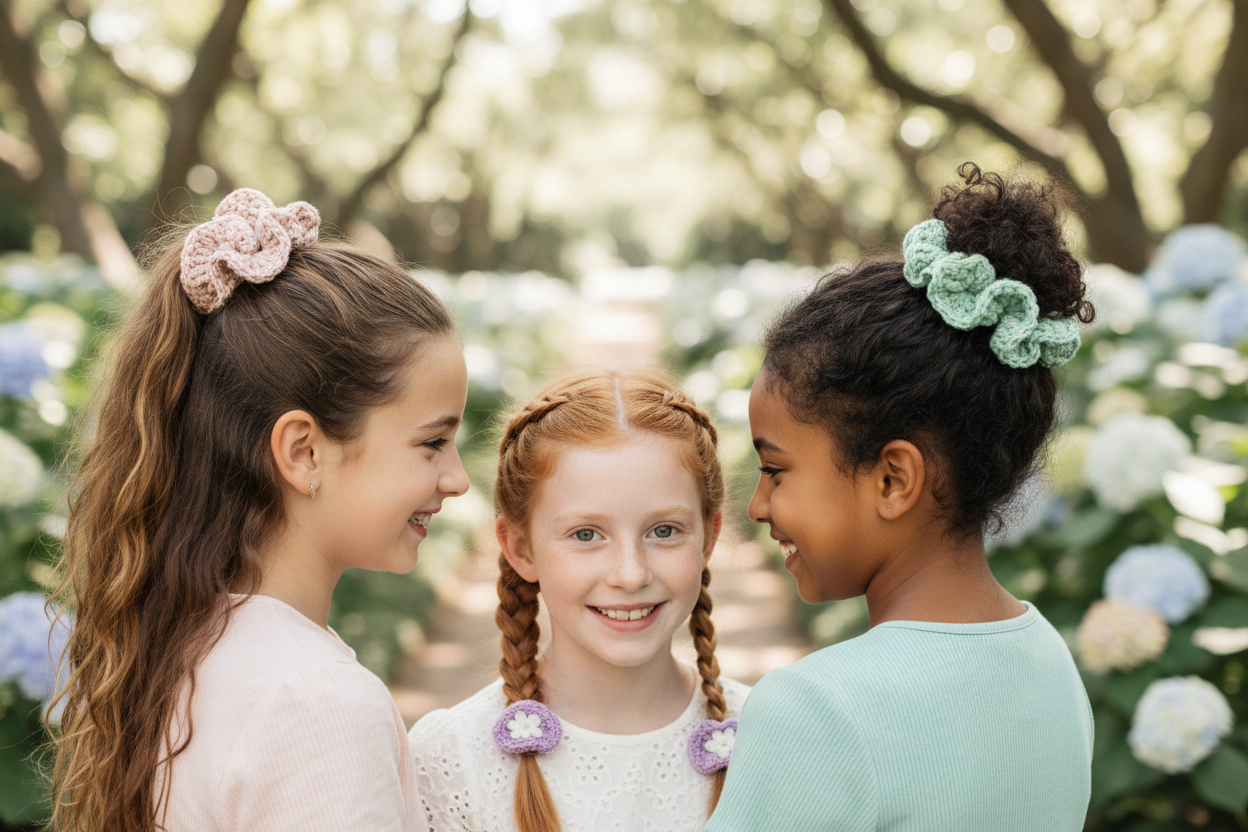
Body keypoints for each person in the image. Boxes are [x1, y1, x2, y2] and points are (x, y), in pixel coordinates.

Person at [49, 188, 469, 832]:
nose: (458, 479)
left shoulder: (180, 647)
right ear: (303, 451)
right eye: (433, 443)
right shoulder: (317, 704)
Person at [707, 164, 1095, 831]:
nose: (758, 507)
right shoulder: (1051, 663)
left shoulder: (815, 712)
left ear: (893, 479)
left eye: (776, 470)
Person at [408, 369, 749, 832]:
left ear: (708, 537)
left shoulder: (768, 739)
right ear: (521, 549)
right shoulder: (454, 759)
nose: (630, 574)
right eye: (586, 534)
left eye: (663, 531)